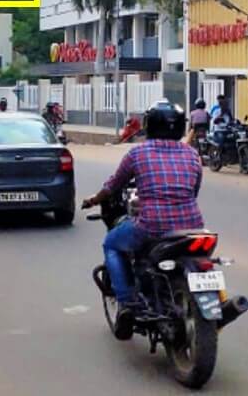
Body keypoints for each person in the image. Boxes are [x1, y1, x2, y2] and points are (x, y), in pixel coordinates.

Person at [82, 100, 203, 339]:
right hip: (193, 226)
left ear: (149, 126)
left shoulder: (138, 153)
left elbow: (114, 185)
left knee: (112, 244)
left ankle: (127, 304)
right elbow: (194, 190)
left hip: (152, 226)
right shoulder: (192, 154)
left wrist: (94, 200)